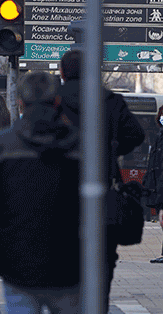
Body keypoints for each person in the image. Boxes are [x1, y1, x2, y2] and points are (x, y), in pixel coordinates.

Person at [0, 71, 81, 314]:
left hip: (18, 262)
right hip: (69, 262)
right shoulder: (81, 145)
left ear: (20, 102)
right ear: (57, 100)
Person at [56, 49, 144, 310]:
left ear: (62, 72)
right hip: (101, 196)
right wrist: (108, 151)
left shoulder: (53, 101)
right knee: (101, 268)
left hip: (58, 197)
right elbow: (136, 135)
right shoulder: (109, 100)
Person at [143, 105, 163, 264]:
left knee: (162, 218)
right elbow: (153, 164)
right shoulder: (159, 136)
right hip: (157, 186)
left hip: (161, 187)